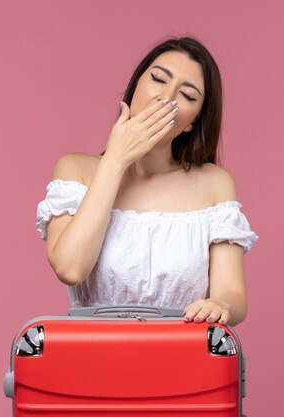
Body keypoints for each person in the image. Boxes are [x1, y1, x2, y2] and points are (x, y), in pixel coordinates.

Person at [35, 36, 259, 327]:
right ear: (136, 85)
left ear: (193, 121)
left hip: (184, 359)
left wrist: (220, 304)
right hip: (93, 359)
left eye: (188, 96)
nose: (166, 98)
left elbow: (232, 293)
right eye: (158, 79)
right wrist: (116, 159)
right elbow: (70, 267)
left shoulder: (215, 184)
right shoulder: (75, 170)